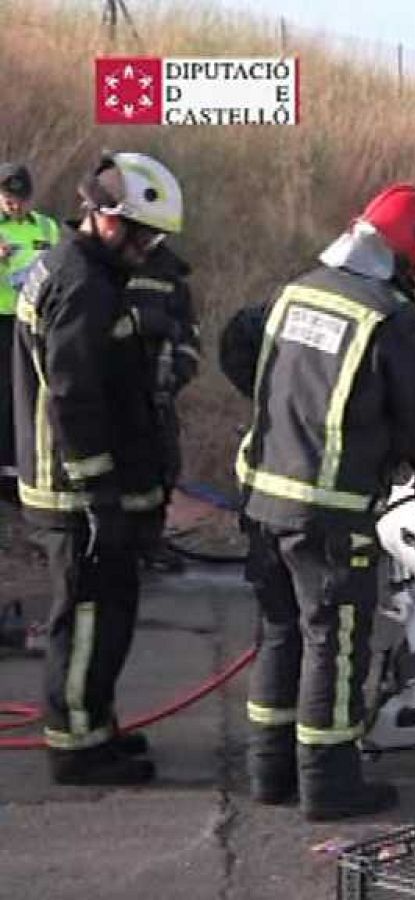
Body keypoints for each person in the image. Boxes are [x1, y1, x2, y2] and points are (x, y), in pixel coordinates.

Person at [235, 183, 415, 821]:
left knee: (280, 633)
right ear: (401, 256)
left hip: (263, 498)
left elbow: (236, 347)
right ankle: (329, 785)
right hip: (331, 510)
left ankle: (268, 773)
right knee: (334, 642)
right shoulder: (390, 316)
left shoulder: (294, 292)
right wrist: (388, 449)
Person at [12, 153, 182, 785]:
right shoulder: (83, 284)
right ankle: (77, 748)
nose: (149, 250)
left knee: (108, 612)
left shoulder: (82, 268)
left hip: (83, 484)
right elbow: (73, 399)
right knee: (87, 616)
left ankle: (96, 724)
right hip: (75, 490)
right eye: (145, 237)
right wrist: (99, 493)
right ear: (110, 220)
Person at [124, 242, 202, 573]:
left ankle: (150, 541)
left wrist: (175, 376)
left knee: (164, 466)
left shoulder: (171, 277)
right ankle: (117, 543)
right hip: (115, 393)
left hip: (158, 394)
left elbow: (189, 337)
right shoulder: (102, 270)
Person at [0, 162, 62, 502]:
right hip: (0, 320)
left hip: (34, 323)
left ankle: (21, 471)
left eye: (20, 198)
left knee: (27, 396)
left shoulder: (47, 228)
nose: (15, 204)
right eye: (8, 197)